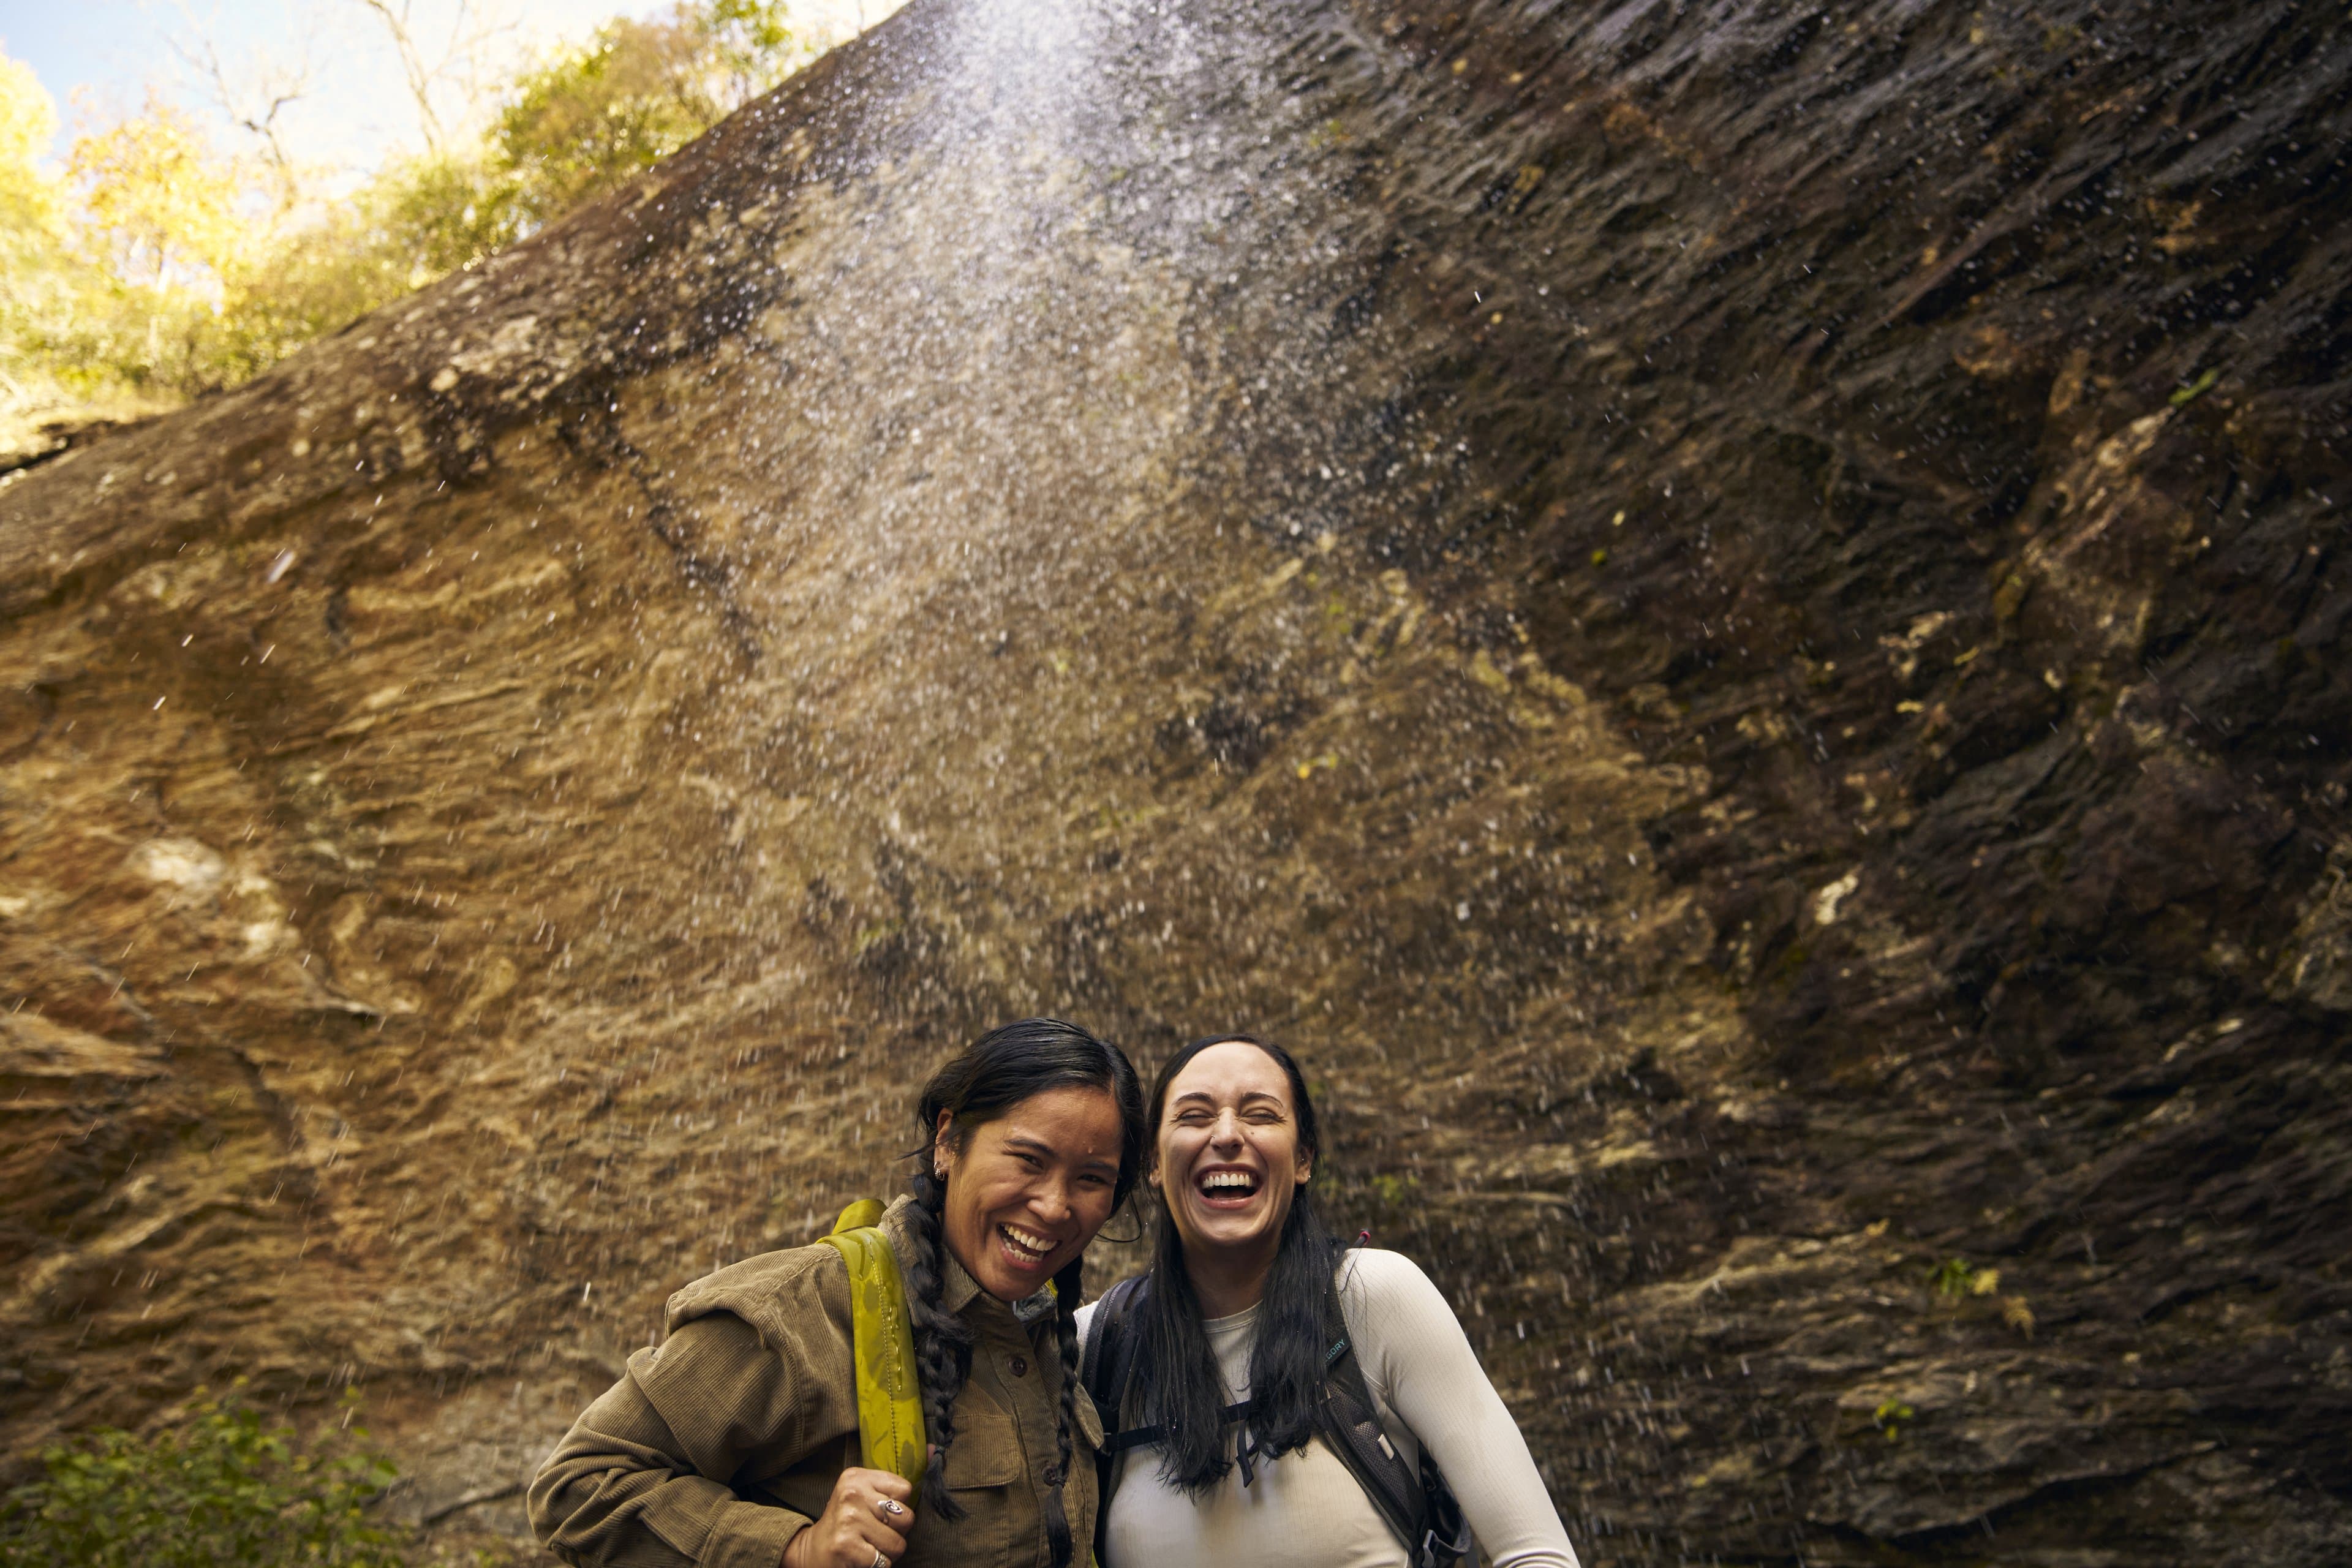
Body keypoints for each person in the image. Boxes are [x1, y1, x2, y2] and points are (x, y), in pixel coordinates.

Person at [530, 1017, 1147, 1568]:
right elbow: (580, 1483)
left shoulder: (1047, 1331)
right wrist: (794, 1547)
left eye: (1091, 1179)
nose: (1054, 1205)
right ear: (948, 1141)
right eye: (1029, 1159)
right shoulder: (806, 1308)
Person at [1078, 1033, 1580, 1568]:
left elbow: (1538, 1555)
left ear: (1304, 1159)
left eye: (1262, 1115)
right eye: (1195, 1116)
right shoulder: (1098, 1346)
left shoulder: (1375, 1299)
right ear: (1154, 1162)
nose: (1226, 1135)